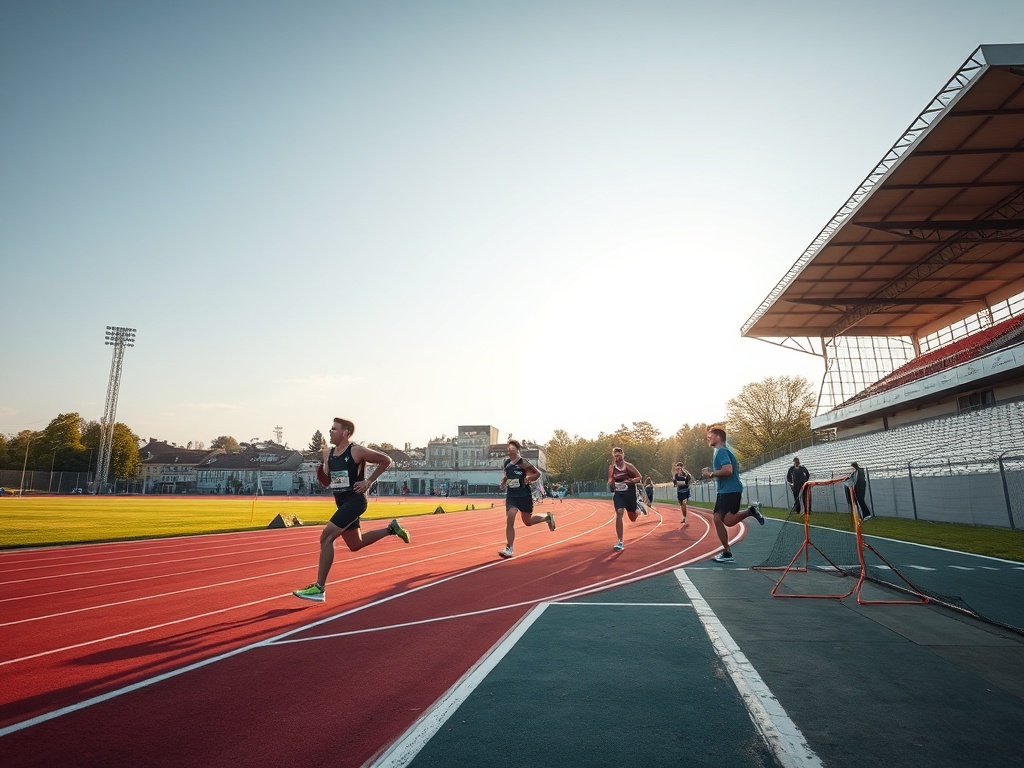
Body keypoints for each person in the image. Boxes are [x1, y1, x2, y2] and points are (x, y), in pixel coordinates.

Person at [293, 418, 410, 603]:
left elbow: (386, 460)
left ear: (345, 433)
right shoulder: (328, 454)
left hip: (355, 501)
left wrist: (368, 482)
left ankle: (319, 588)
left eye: (334, 429)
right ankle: (391, 529)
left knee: (326, 537)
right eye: (330, 429)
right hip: (341, 502)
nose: (330, 431)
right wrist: (320, 473)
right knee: (356, 544)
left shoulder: (355, 451)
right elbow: (327, 482)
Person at [700, 427, 765, 563]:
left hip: (730, 491)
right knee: (723, 520)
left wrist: (711, 474)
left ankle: (727, 552)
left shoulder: (721, 451)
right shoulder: (721, 450)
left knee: (721, 520)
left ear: (718, 437)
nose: (708, 439)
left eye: (710, 436)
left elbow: (728, 470)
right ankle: (727, 551)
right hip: (726, 491)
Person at [498, 439, 555, 558]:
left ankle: (547, 518)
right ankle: (509, 548)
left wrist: (529, 478)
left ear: (516, 450)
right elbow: (507, 476)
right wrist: (504, 481)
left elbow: (537, 474)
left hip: (524, 495)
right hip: (512, 496)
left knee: (527, 522)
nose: (509, 450)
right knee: (511, 517)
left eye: (511, 448)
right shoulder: (506, 463)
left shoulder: (523, 463)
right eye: (508, 448)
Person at [608, 446, 643, 551]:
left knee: (633, 518)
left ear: (623, 455)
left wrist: (631, 481)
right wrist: (612, 484)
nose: (618, 456)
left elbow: (639, 478)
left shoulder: (628, 466)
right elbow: (610, 479)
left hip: (629, 494)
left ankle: (638, 510)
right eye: (616, 454)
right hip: (619, 494)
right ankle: (620, 541)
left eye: (619, 454)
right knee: (619, 512)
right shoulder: (612, 468)